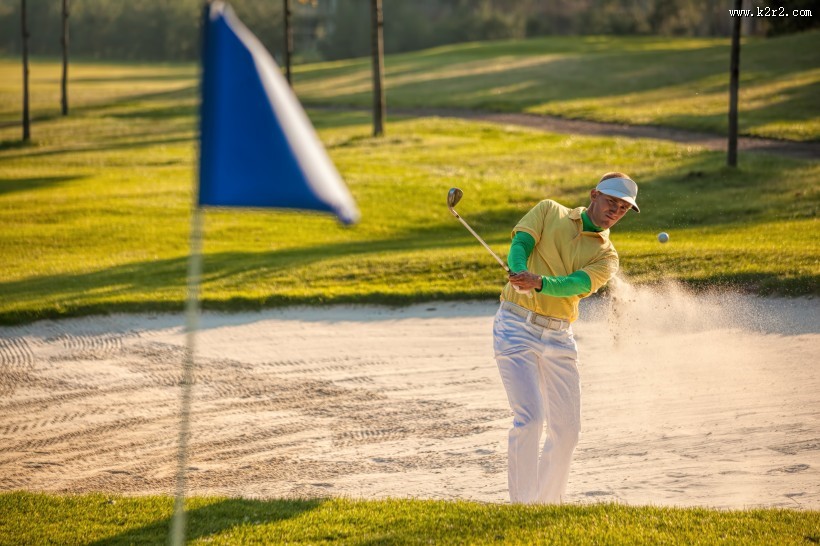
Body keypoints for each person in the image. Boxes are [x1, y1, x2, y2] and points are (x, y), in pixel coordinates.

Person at [493, 172, 639, 504]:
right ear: (594, 194)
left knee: (568, 432)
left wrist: (540, 282)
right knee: (530, 420)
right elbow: (522, 243)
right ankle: (522, 507)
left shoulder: (607, 257)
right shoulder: (549, 211)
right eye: (611, 202)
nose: (615, 210)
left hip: (559, 337)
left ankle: (546, 505)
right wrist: (519, 273)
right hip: (516, 325)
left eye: (623, 207)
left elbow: (576, 284)